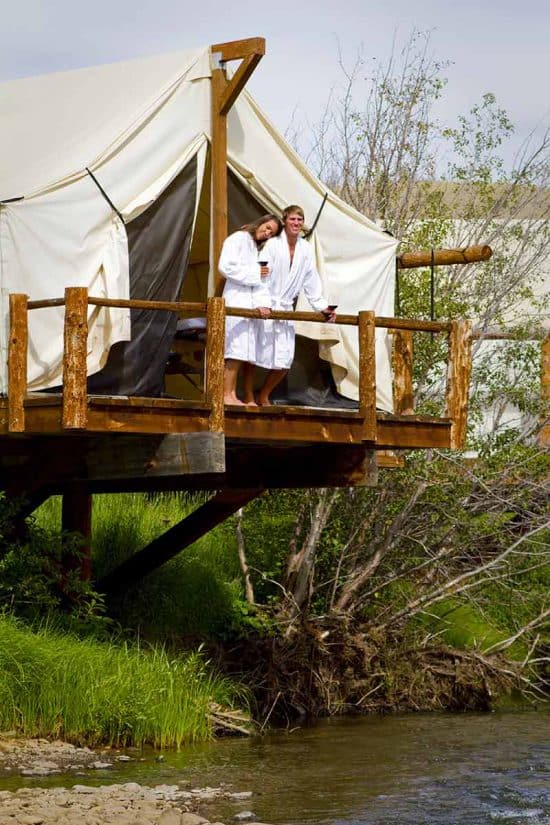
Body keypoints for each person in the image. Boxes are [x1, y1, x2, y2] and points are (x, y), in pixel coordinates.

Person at [255, 205, 336, 405]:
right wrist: (263, 302)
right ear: (284, 221)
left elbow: (311, 281)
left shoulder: (305, 250)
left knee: (285, 358)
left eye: (300, 220)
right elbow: (261, 274)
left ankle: (264, 393)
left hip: (285, 309)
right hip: (267, 304)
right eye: (292, 219)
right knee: (253, 353)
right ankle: (249, 395)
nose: (296, 223)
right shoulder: (272, 245)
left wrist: (323, 306)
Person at [219, 214, 282, 405]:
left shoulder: (255, 249)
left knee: (240, 351)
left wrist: (262, 304)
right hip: (236, 298)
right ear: (261, 222)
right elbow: (225, 267)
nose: (268, 233)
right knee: (233, 349)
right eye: (268, 228)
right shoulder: (237, 238)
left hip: (248, 302)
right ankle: (224, 394)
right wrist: (255, 273)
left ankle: (230, 394)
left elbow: (261, 281)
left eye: (272, 233)